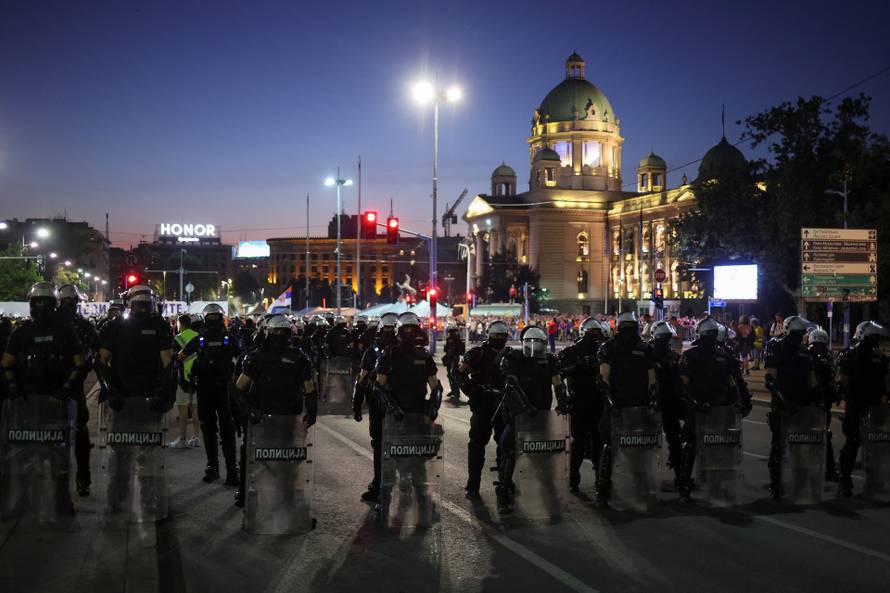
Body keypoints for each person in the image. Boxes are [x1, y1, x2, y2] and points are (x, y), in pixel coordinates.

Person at [2, 283, 88, 511]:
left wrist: (64, 390)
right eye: (37, 304)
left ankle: (61, 500)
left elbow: (81, 365)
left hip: (55, 404)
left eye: (44, 303)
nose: (40, 308)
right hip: (30, 403)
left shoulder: (63, 331)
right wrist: (14, 389)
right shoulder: (22, 332)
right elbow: (7, 364)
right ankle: (23, 500)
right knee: (24, 454)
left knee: (55, 454)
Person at [232, 314, 317, 508]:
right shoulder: (292, 357)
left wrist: (248, 411)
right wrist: (250, 412)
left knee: (269, 459)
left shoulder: (291, 357)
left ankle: (275, 499)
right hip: (268, 419)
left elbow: (238, 389)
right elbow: (310, 390)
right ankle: (260, 499)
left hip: (280, 419)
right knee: (273, 460)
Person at [373, 312, 442, 513]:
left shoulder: (424, 356)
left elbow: (435, 387)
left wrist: (433, 409)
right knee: (389, 462)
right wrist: (393, 408)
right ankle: (384, 502)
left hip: (418, 416)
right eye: (406, 329)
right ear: (399, 331)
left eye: (413, 329)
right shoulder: (389, 354)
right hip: (395, 417)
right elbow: (379, 386)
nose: (410, 332)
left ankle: (423, 504)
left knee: (419, 462)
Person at [677, 316, 752, 501]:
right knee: (715, 446)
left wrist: (695, 403)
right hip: (716, 410)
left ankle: (685, 486)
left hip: (708, 410)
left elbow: (684, 386)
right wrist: (742, 403)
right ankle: (705, 484)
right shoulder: (725, 355)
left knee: (693, 446)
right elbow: (737, 384)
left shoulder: (692, 355)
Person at [496, 326, 564, 513]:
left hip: (541, 414)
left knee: (545, 453)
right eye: (531, 342)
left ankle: (549, 492)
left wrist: (564, 403)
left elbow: (558, 383)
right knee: (508, 450)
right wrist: (525, 408)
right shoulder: (515, 358)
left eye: (539, 343)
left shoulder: (549, 360)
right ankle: (503, 494)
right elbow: (511, 385)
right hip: (519, 415)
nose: (534, 347)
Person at [596, 311, 656, 508]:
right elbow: (652, 382)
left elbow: (604, 379)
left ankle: (603, 492)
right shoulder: (645, 348)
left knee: (610, 448)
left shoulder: (609, 347)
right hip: (637, 406)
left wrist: (610, 402)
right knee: (638, 448)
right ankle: (640, 488)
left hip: (618, 406)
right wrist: (652, 401)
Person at [180, 303, 240, 485]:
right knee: (227, 431)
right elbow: (242, 359)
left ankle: (213, 468)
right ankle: (231, 472)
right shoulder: (230, 338)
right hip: (224, 389)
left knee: (209, 429)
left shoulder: (199, 340)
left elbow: (180, 356)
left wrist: (186, 378)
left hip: (206, 389)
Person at [762, 315, 820, 499]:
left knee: (802, 445)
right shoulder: (775, 345)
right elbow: (770, 378)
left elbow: (812, 379)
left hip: (803, 405)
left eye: (801, 333)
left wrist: (817, 400)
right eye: (797, 333)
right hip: (783, 404)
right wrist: (781, 399)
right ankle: (776, 484)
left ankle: (801, 484)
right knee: (778, 445)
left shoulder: (804, 350)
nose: (799, 336)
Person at [836, 321, 890, 496]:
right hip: (868, 405)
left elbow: (842, 380)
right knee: (862, 442)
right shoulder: (873, 356)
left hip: (865, 405)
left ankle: (847, 480)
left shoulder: (852, 354)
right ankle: (849, 479)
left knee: (857, 441)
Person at [56, 284, 99, 497]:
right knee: (80, 431)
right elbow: (96, 353)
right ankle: (83, 479)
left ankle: (61, 479)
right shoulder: (82, 325)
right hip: (72, 388)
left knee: (48, 432)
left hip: (48, 389)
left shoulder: (41, 324)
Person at [458, 320, 509, 499]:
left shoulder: (510, 355)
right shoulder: (477, 353)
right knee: (477, 444)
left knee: (506, 444)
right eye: (496, 335)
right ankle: (473, 485)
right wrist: (471, 390)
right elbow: (460, 372)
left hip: (503, 403)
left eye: (502, 336)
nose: (499, 338)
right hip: (483, 403)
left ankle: (505, 482)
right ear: (489, 335)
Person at [352, 312, 399, 502]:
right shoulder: (407, 349)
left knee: (380, 445)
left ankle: (380, 485)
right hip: (398, 405)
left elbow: (362, 380)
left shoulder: (374, 350)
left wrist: (356, 405)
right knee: (401, 446)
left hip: (380, 404)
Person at [558, 317, 608, 492]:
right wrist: (577, 367)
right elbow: (559, 373)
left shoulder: (604, 350)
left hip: (596, 401)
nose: (594, 337)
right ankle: (575, 479)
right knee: (583, 441)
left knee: (594, 441)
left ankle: (596, 480)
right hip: (582, 400)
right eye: (592, 333)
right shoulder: (574, 351)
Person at [649, 319, 684, 484]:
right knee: (669, 439)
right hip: (656, 402)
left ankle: (679, 474)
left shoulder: (672, 356)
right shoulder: (648, 353)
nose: (666, 341)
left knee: (673, 439)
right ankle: (679, 475)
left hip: (664, 402)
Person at [807, 327, 839, 481]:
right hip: (824, 401)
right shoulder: (828, 356)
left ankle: (810, 467)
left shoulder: (806, 353)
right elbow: (833, 380)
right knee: (824, 433)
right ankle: (829, 469)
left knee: (805, 434)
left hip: (809, 400)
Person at [171, 314, 201, 449]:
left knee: (182, 409)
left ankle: (182, 439)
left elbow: (175, 360)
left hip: (183, 378)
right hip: (196, 377)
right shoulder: (198, 336)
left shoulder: (177, 338)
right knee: (195, 409)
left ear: (181, 325)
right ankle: (196, 437)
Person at [442, 325, 466, 403]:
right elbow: (447, 349)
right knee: (450, 375)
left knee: (453, 375)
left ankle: (456, 392)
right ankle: (454, 391)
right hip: (452, 359)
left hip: (453, 359)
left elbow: (451, 350)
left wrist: (448, 357)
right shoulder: (452, 339)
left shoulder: (453, 339)